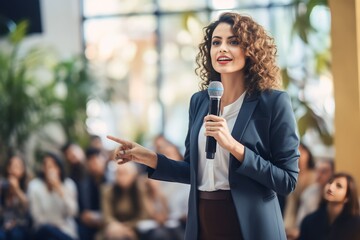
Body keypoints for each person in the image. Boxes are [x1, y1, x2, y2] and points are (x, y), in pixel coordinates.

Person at [108, 12, 299, 240]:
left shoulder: (273, 102)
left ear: (250, 50)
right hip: (204, 220)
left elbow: (287, 181)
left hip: (251, 224)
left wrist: (234, 147)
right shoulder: (200, 101)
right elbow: (194, 171)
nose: (222, 48)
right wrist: (149, 157)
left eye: (233, 42)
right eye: (216, 42)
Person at [27, 152, 78, 240]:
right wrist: (53, 226)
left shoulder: (69, 185)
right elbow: (36, 216)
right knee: (47, 230)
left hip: (64, 229)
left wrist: (60, 190)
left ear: (60, 168)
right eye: (47, 166)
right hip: (42, 229)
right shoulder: (34, 186)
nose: (50, 170)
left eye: (53, 166)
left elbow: (73, 212)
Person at [299, 172, 360, 240]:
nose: (330, 187)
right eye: (330, 182)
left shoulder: (356, 225)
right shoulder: (309, 221)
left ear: (347, 197)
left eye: (339, 186)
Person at [284, 143, 316, 239]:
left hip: (310, 222)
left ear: (308, 154)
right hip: (293, 223)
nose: (299, 154)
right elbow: (291, 206)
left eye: (302, 150)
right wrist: (287, 227)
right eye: (296, 151)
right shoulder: (292, 177)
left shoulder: (314, 175)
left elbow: (312, 206)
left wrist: (300, 229)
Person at [77, 148, 107, 240]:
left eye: (96, 159)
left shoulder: (111, 179)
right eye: (90, 160)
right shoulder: (84, 183)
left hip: (108, 220)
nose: (94, 163)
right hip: (89, 224)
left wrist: (98, 218)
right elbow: (82, 212)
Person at [0, 155, 31, 240]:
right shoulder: (3, 185)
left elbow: (28, 207)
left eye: (17, 166)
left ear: (23, 171)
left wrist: (17, 190)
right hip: (3, 223)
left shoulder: (27, 187)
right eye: (11, 166)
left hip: (20, 225)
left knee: (16, 235)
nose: (13, 169)